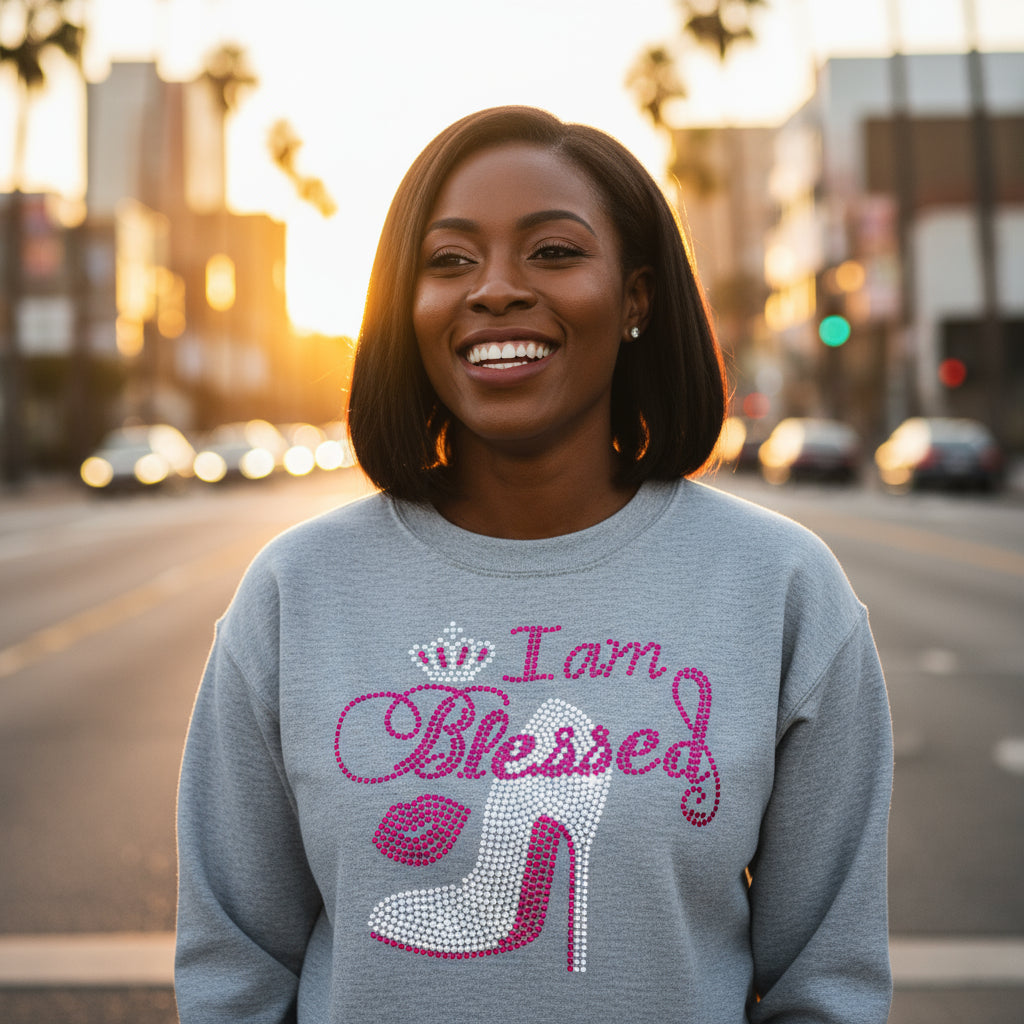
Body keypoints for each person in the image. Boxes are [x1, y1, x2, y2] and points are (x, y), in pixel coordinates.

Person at [175, 105, 893, 1022]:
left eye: (553, 252)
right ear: (407, 305)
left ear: (635, 297)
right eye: (449, 260)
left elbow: (826, 986)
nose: (496, 290)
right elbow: (233, 971)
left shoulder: (779, 587)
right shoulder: (296, 590)